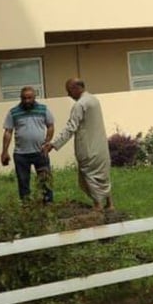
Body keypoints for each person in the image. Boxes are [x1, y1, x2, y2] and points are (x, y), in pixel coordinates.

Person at [44, 78, 113, 211]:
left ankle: (98, 205)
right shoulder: (94, 100)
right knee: (103, 175)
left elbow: (71, 128)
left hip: (88, 148)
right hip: (101, 147)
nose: (68, 95)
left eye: (69, 91)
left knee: (89, 176)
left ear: (77, 88)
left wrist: (53, 144)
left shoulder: (80, 105)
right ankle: (110, 204)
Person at [1, 86, 55, 203]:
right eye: (24, 98)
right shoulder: (13, 112)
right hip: (21, 154)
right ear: (21, 98)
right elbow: (8, 132)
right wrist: (4, 151)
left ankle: (48, 205)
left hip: (40, 152)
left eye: (29, 98)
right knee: (23, 183)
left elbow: (50, 126)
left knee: (44, 181)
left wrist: (47, 142)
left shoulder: (43, 109)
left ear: (34, 97)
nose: (27, 101)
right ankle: (27, 207)